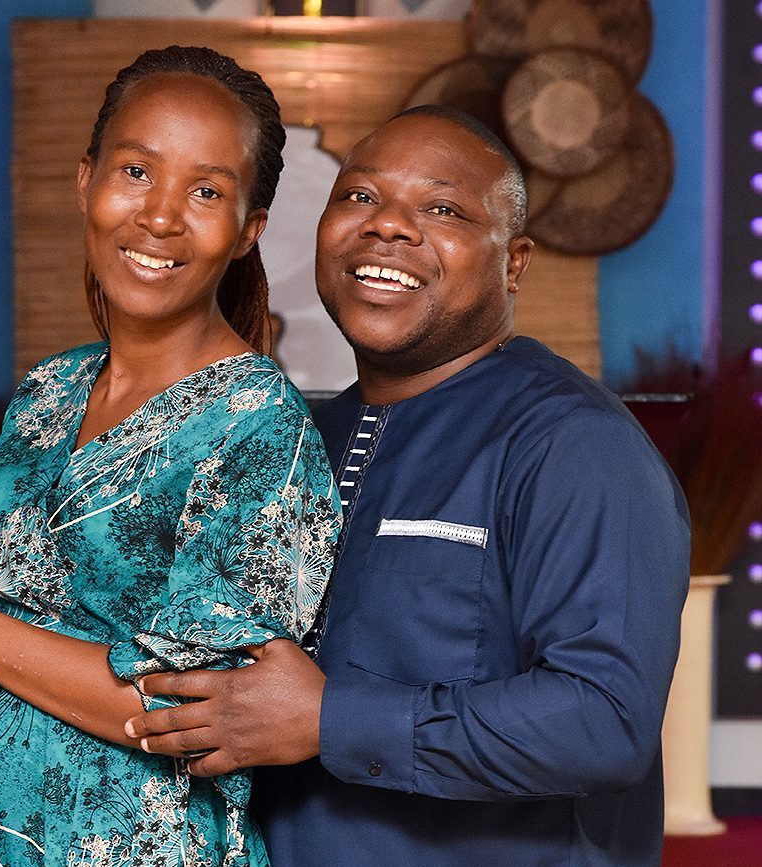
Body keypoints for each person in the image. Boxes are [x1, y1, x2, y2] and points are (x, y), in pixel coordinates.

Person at [122, 105, 691, 867]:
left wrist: (331, 718)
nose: (387, 224)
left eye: (443, 209)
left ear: (514, 262)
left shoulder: (575, 444)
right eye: (359, 196)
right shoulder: (295, 437)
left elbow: (604, 721)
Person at [0, 46, 341, 867]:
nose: (160, 216)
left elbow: (201, 710)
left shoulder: (260, 426)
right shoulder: (51, 388)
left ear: (248, 231)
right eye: (136, 171)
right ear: (86, 180)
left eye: (206, 191)